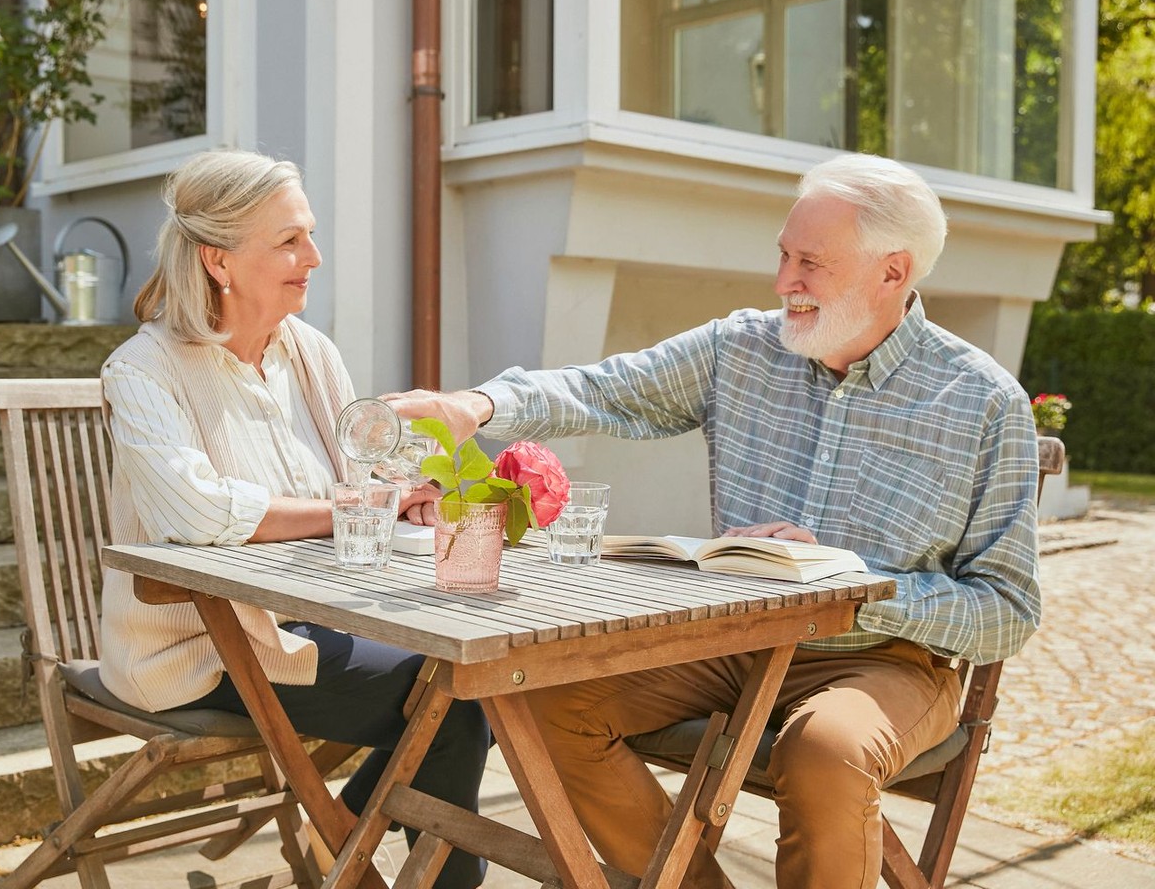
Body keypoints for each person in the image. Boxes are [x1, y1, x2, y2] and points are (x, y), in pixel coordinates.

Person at [383, 153, 1041, 888]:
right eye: (784, 255)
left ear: (893, 272)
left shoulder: (982, 401)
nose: (784, 282)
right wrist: (477, 406)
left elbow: (1006, 610)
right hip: (732, 636)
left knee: (825, 751)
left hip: (885, 659)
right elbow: (608, 392)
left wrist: (851, 580)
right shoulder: (740, 348)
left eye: (810, 263)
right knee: (541, 702)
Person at [99, 148, 489, 888]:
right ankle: (357, 849)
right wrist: (361, 509)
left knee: (474, 681)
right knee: (455, 706)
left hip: (308, 623)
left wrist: (410, 490)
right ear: (218, 261)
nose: (312, 256)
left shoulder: (310, 353)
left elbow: (364, 477)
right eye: (287, 240)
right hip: (195, 650)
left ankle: (341, 840)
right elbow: (202, 513)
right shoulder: (142, 370)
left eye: (308, 234)